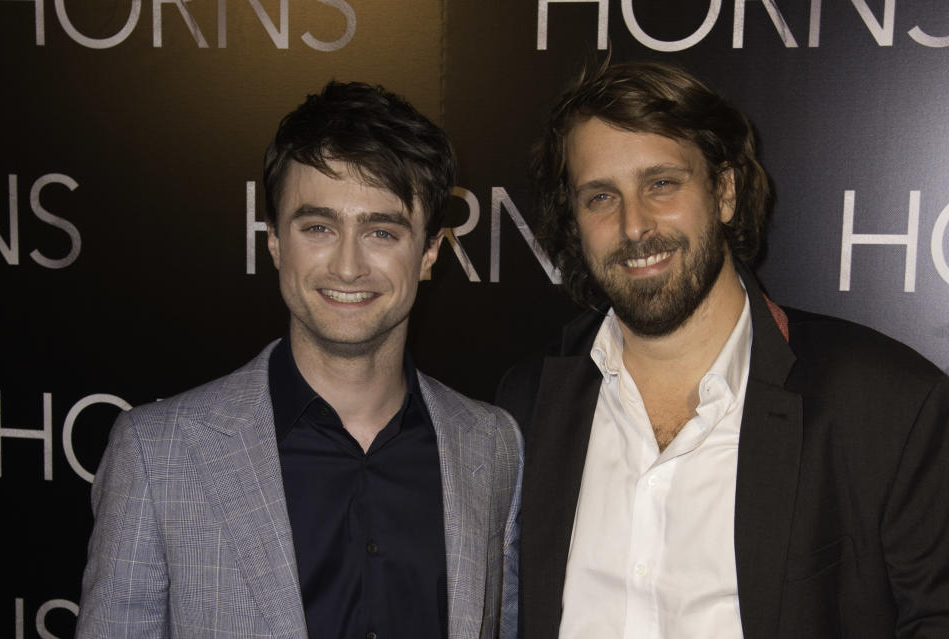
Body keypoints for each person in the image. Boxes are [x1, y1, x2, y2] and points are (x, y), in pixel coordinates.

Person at [496, 61, 949, 638]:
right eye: (601, 197)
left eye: (661, 183)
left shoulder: (887, 405)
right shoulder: (527, 403)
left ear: (725, 191)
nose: (634, 226)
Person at [77, 81, 522, 639]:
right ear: (273, 242)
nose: (347, 266)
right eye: (318, 228)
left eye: (381, 231)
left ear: (429, 251)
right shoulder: (157, 454)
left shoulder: (492, 446)